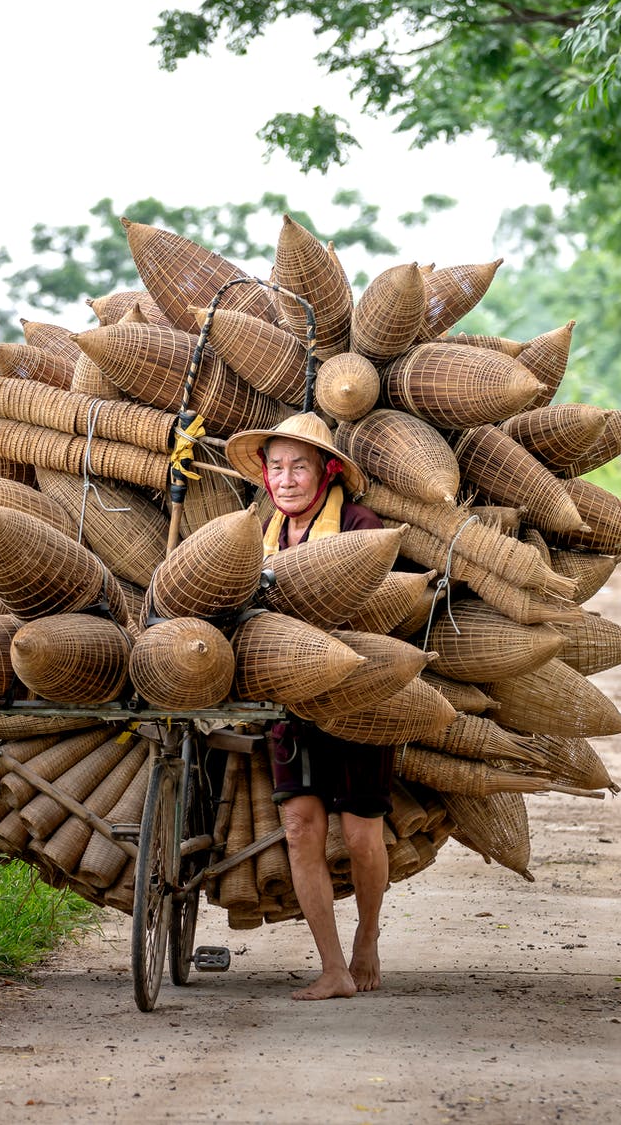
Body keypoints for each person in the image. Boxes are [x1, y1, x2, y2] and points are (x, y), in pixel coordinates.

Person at [224, 412, 391, 1001]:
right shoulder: (255, 532)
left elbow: (382, 608)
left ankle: (367, 937)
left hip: (355, 699)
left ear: (328, 472)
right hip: (285, 703)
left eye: (299, 467)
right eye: (276, 468)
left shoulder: (358, 524)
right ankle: (333, 968)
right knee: (299, 828)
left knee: (362, 832)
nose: (287, 479)